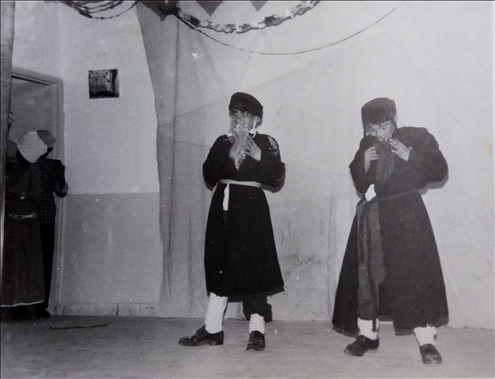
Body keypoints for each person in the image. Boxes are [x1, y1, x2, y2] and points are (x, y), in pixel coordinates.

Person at [331, 98, 449, 364]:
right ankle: (367, 335)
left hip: (408, 216)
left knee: (414, 275)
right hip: (372, 215)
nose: (377, 134)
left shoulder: (417, 137)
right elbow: (361, 184)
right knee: (367, 276)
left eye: (382, 127)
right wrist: (362, 163)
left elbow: (440, 170)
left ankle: (426, 341)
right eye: (371, 129)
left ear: (393, 121)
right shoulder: (367, 145)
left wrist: (411, 156)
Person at [179, 92, 286, 351]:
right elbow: (209, 175)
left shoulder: (267, 142)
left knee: (255, 266)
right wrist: (227, 151)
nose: (240, 119)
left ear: (256, 119)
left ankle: (257, 331)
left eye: (246, 115)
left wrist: (260, 157)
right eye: (236, 114)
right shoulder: (221, 142)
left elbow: (277, 177)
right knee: (219, 264)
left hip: (252, 208)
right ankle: (212, 328)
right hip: (223, 207)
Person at [1, 131, 47, 320]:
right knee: (26, 265)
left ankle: (15, 305)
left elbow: (15, 194)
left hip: (18, 225)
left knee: (15, 265)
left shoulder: (26, 171)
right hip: (26, 225)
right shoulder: (29, 170)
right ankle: (24, 305)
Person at [35, 130, 68, 318]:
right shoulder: (53, 166)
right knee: (45, 262)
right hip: (46, 218)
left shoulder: (19, 166)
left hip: (23, 220)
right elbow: (62, 191)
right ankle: (42, 304)